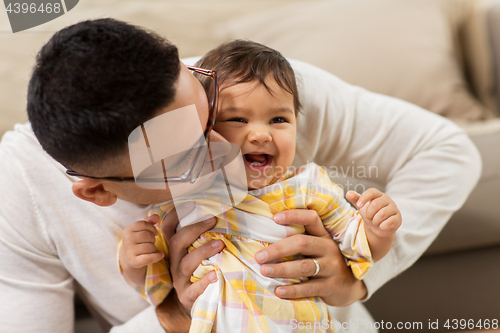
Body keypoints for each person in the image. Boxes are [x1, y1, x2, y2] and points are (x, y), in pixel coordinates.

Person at [0, 18, 481, 333]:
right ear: (99, 190)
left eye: (207, 109)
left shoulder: (250, 91)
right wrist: (170, 316)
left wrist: (357, 276)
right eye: (186, 156)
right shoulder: (21, 188)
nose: (226, 146)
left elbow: (444, 149)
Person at [118, 40, 402, 332]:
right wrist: (135, 259)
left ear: (297, 123)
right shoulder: (187, 194)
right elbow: (157, 278)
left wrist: (378, 229)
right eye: (237, 119)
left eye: (279, 119)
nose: (260, 134)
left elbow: (359, 247)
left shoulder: (308, 187)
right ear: (203, 129)